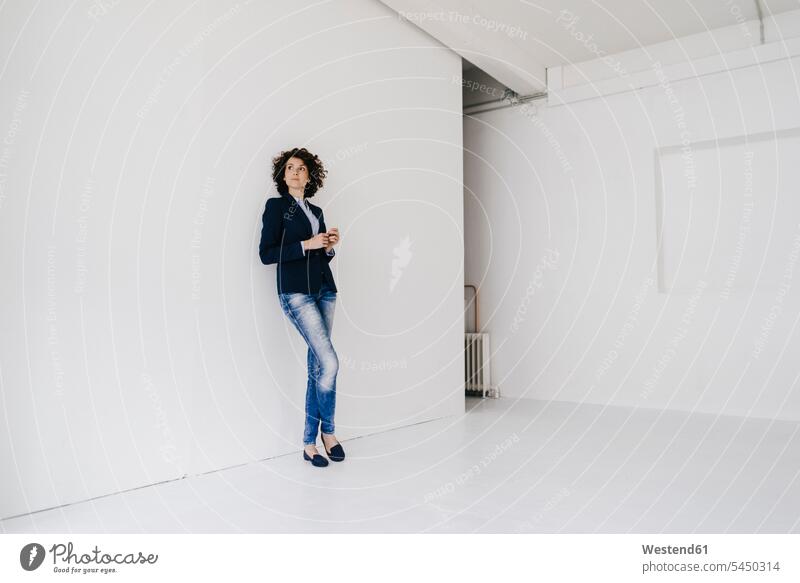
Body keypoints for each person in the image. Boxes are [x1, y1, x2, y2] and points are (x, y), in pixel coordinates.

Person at [259, 147, 344, 468]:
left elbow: (318, 254)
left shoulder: (316, 210)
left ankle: (310, 443)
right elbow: (267, 253)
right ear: (283, 175)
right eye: (290, 168)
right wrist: (305, 244)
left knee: (318, 366)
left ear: (310, 176)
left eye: (302, 169)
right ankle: (330, 433)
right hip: (295, 291)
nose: (295, 173)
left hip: (325, 289)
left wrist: (328, 247)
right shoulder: (276, 207)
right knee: (330, 362)